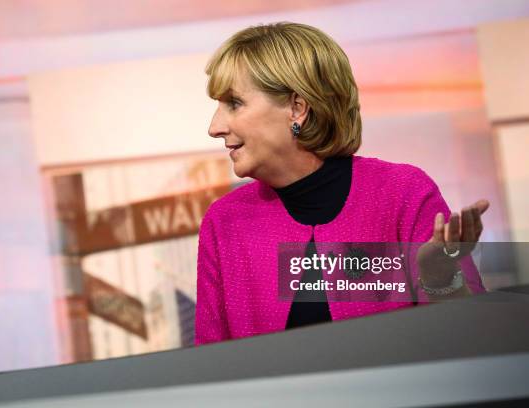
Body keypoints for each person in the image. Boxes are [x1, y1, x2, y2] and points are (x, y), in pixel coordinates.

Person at [195, 22, 488, 346]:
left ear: (297, 107)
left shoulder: (404, 193)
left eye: (233, 103)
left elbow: (472, 342)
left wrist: (440, 279)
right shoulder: (224, 222)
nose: (215, 127)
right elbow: (209, 370)